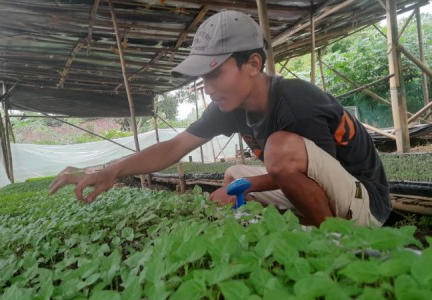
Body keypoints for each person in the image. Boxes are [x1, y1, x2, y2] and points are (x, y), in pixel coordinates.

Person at [50, 10, 391, 227]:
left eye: (214, 74)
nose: (207, 88)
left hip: (366, 204)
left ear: (253, 65)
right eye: (202, 78)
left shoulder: (296, 100)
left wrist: (243, 188)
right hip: (325, 189)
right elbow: (174, 147)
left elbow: (318, 177)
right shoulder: (230, 106)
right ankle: (289, 229)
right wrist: (109, 170)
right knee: (234, 172)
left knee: (278, 150)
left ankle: (334, 244)